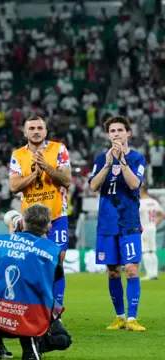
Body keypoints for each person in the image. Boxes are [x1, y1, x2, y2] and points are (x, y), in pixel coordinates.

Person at [0, 204, 70, 360]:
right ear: (49, 227)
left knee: (2, 289)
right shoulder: (51, 251)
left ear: (22, 223)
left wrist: (13, 235)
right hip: (26, 316)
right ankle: (31, 348)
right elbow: (56, 277)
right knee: (63, 339)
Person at [89, 116, 146, 331]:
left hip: (129, 222)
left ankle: (132, 319)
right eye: (112, 131)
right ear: (108, 135)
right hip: (106, 224)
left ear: (128, 133)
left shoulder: (137, 158)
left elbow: (134, 184)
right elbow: (92, 187)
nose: (116, 134)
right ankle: (120, 317)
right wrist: (106, 164)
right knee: (113, 271)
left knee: (131, 268)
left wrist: (121, 160)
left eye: (120, 130)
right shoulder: (100, 159)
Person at [9, 116, 72, 305]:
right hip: (30, 222)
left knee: (57, 263)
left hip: (56, 216)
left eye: (39, 128)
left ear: (45, 131)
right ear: (25, 132)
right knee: (31, 266)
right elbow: (14, 186)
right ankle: (35, 307)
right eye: (32, 128)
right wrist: (35, 175)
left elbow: (66, 180)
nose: (36, 131)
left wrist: (46, 166)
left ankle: (56, 311)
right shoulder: (18, 155)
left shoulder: (58, 149)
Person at [138, 186, 163, 281]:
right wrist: (155, 224)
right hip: (152, 227)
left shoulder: (141, 203)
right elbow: (162, 215)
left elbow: (136, 215)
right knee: (152, 251)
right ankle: (154, 273)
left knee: (145, 250)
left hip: (144, 228)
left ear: (141, 191)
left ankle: (149, 274)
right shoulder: (154, 202)